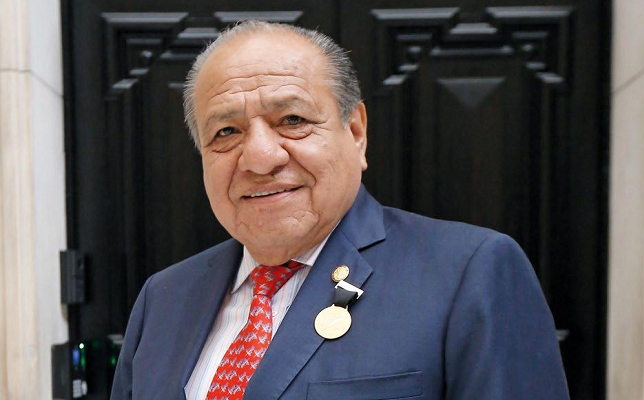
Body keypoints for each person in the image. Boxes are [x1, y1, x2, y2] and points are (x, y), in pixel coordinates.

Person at [111, 20, 570, 400]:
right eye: (226, 132)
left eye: (292, 120)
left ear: (356, 132)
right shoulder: (163, 299)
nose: (260, 158)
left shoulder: (469, 273)